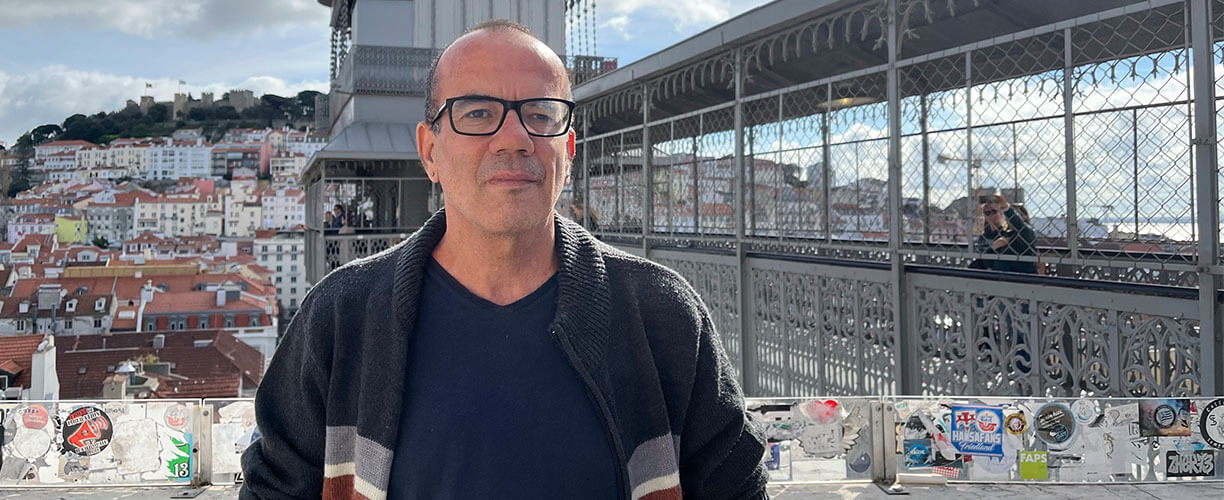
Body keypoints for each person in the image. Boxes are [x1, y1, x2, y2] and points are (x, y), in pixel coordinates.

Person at [240, 19, 767, 500]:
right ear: (430, 152)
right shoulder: (339, 318)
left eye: (541, 114)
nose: (514, 138)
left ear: (569, 149)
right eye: (477, 113)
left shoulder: (664, 317)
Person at [968, 193, 1037, 274]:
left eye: (994, 211)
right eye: (987, 213)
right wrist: (994, 246)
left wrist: (1006, 208)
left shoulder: (1023, 235)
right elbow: (987, 262)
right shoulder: (987, 237)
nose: (991, 215)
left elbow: (1021, 227)